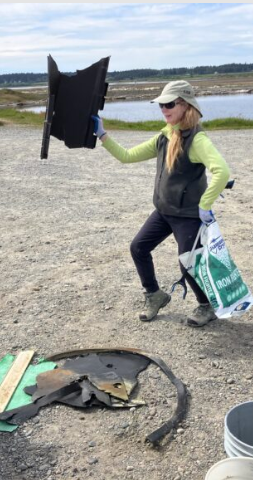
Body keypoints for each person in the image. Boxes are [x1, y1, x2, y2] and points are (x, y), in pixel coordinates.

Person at [91, 80, 230, 327]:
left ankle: (206, 306)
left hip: (188, 215)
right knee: (138, 247)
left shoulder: (197, 140)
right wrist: (103, 135)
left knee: (188, 262)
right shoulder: (165, 136)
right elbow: (127, 156)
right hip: (164, 211)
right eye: (160, 105)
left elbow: (222, 171)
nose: (163, 109)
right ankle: (155, 295)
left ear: (185, 105)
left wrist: (205, 205)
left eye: (168, 104)